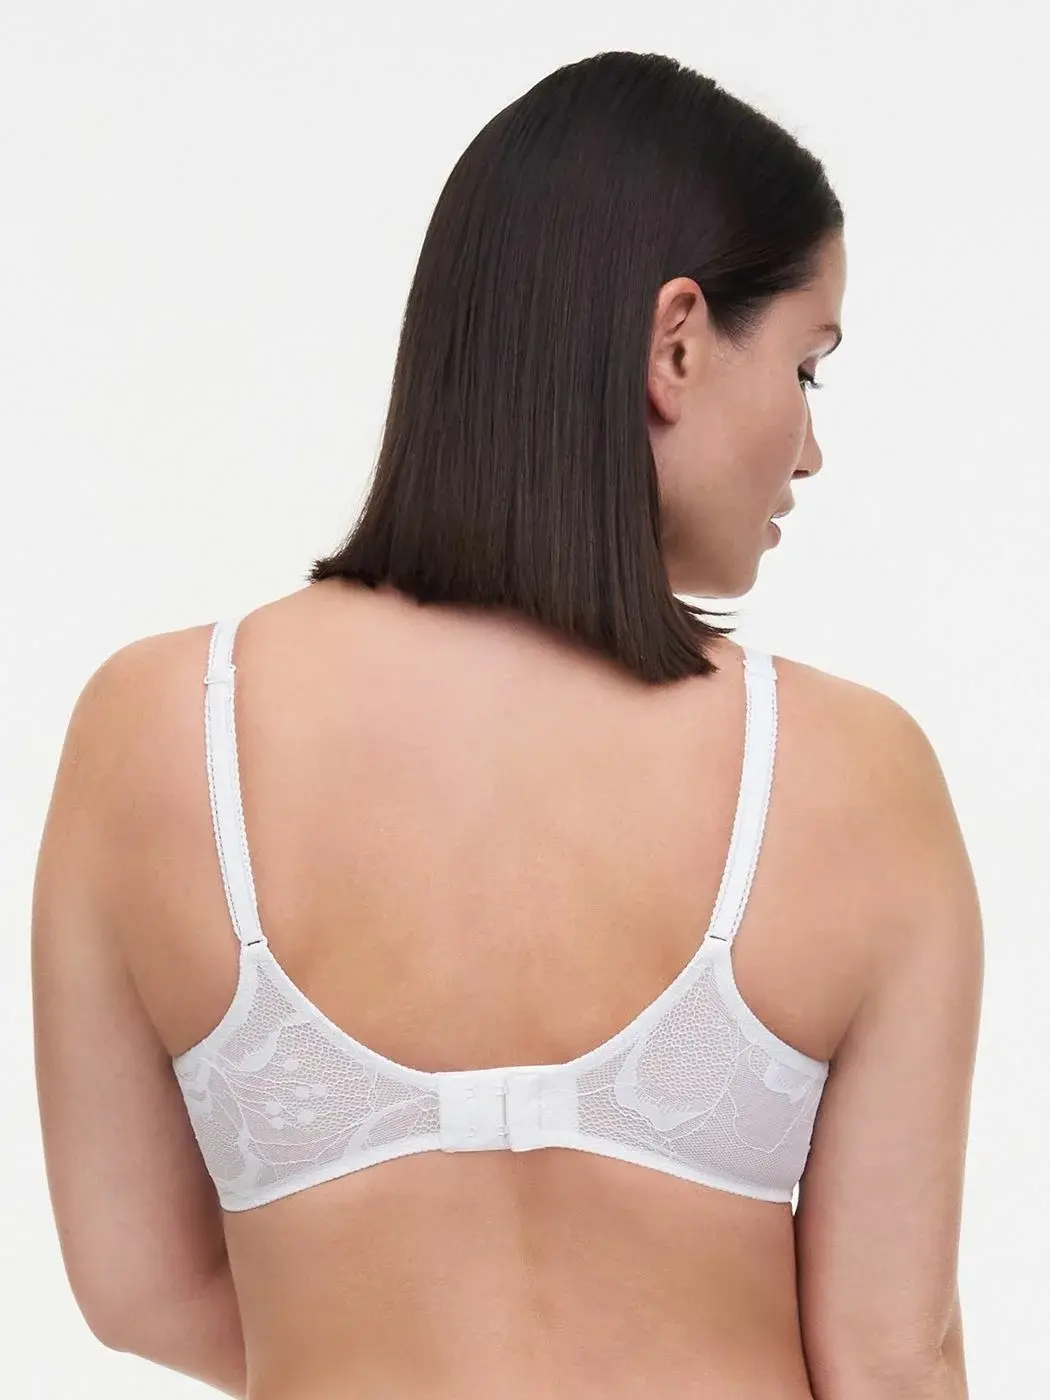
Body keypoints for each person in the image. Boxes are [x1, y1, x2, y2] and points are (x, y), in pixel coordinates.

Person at [32, 49, 982, 1400]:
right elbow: (889, 1360)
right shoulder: (849, 772)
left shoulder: (154, 730)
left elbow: (135, 1282)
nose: (809, 448)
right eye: (806, 368)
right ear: (675, 343)